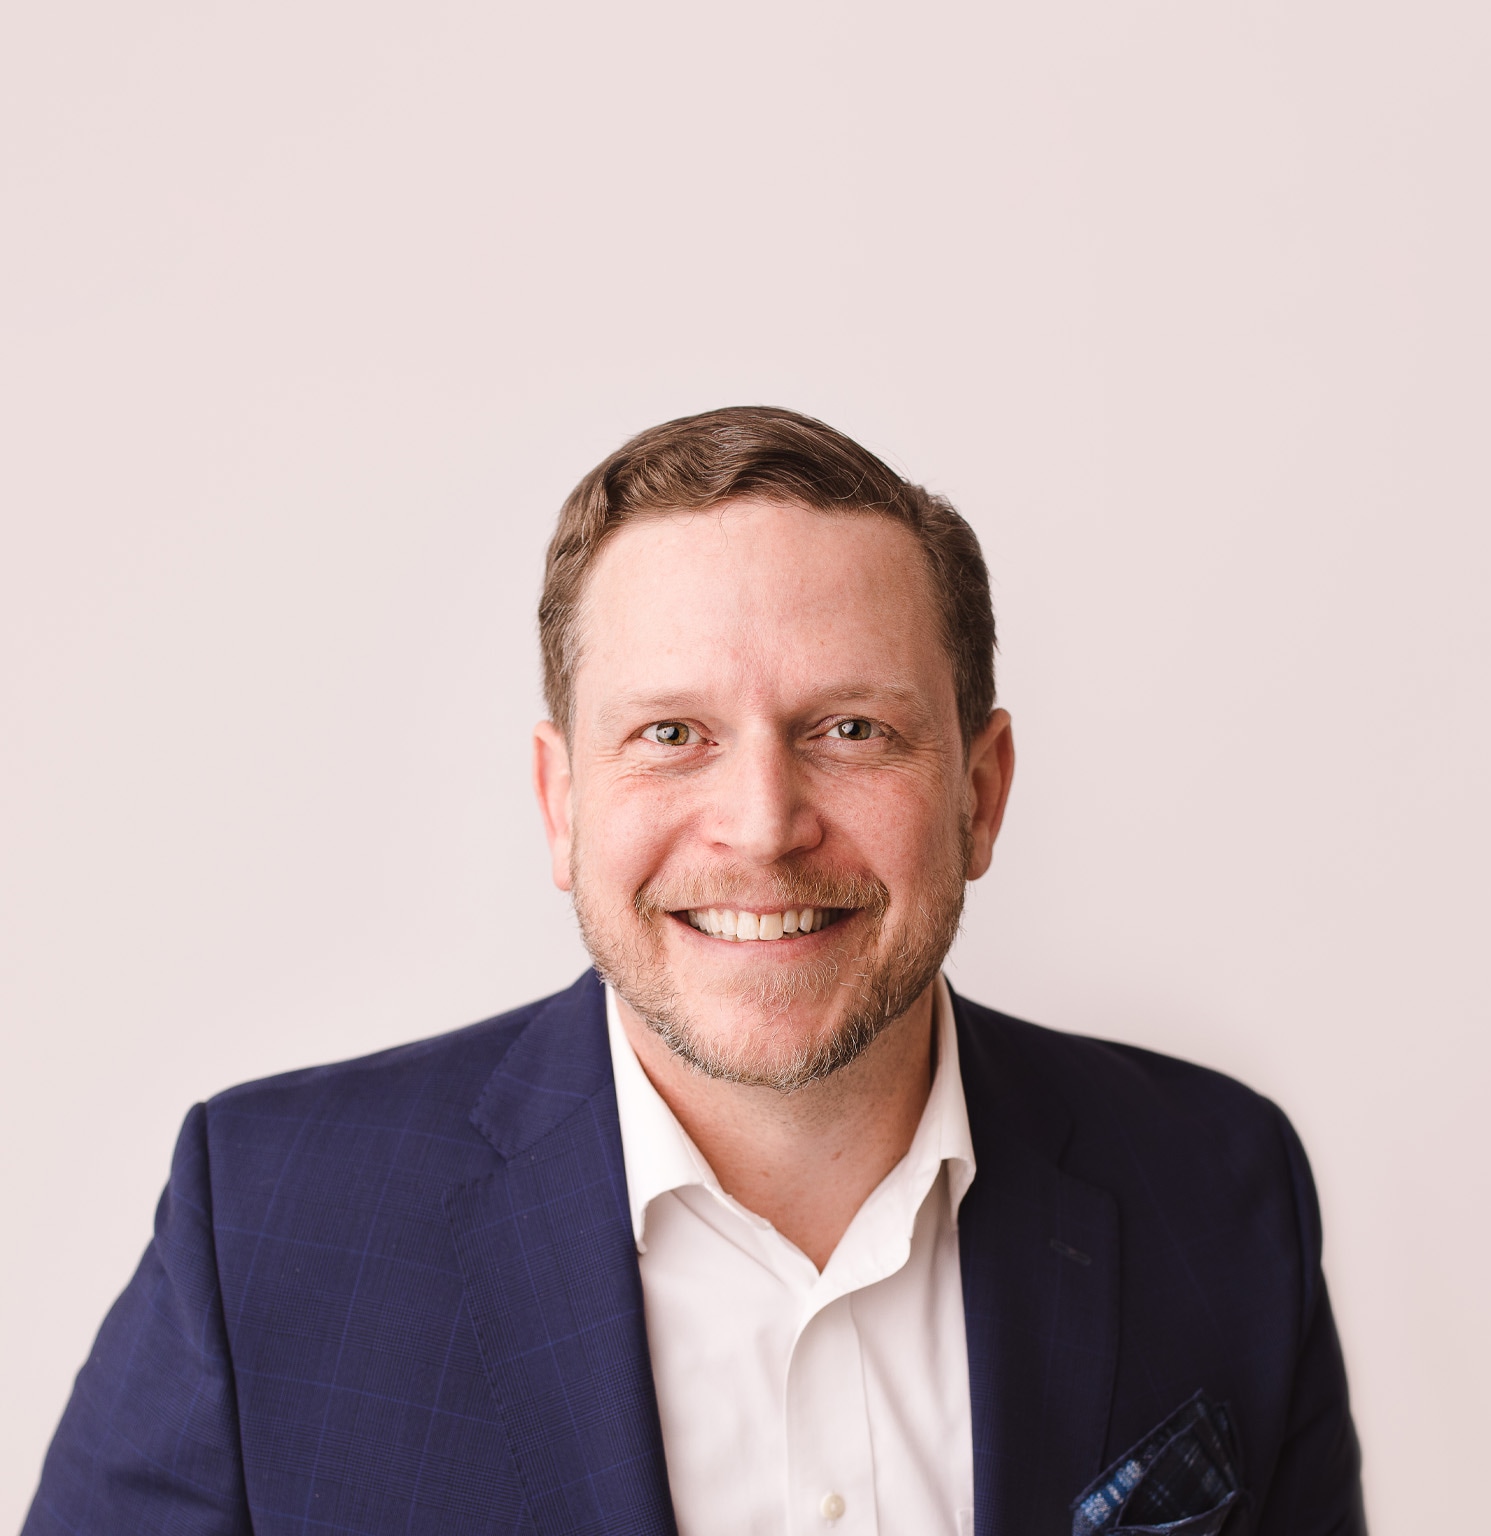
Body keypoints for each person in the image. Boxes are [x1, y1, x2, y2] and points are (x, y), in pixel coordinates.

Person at [25, 407, 1365, 1535]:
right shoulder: (267, 1228)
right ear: (561, 803)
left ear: (981, 791)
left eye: (852, 728)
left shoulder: (1222, 1189)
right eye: (672, 734)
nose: (763, 825)